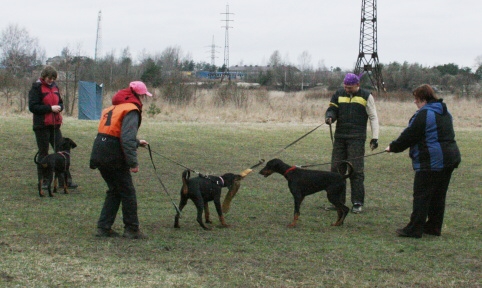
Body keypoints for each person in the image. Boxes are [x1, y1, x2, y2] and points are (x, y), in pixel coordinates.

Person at [385, 84, 461, 238]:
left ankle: (414, 229)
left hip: (432, 161)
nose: (415, 102)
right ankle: (434, 227)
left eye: (416, 99)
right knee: (438, 195)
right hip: (450, 158)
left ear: (423, 99)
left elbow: (410, 135)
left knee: (422, 195)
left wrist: (393, 147)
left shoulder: (424, 114)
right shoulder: (445, 112)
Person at [90, 81, 153, 239]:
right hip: (113, 155)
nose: (144, 99)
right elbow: (125, 138)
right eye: (144, 96)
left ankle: (103, 228)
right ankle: (132, 229)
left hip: (99, 150)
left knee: (115, 190)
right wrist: (133, 163)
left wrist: (137, 142)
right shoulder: (131, 110)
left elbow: (114, 133)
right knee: (128, 192)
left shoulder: (112, 108)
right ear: (138, 95)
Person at [325, 72, 379, 213]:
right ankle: (337, 201)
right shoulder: (339, 94)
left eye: (350, 87)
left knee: (356, 171)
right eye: (345, 87)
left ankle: (357, 202)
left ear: (357, 85)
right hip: (340, 137)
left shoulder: (366, 96)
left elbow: (373, 117)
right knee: (336, 170)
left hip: (357, 138)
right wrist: (330, 117)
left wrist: (375, 137)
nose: (347, 89)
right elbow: (332, 109)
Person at [28, 65, 77, 190]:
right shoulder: (36, 87)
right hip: (41, 126)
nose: (51, 80)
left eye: (53, 78)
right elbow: (33, 107)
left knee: (61, 152)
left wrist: (60, 107)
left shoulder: (55, 87)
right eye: (49, 78)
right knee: (43, 153)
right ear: (44, 76)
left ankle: (65, 181)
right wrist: (50, 108)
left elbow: (60, 102)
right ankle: (44, 181)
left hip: (55, 125)